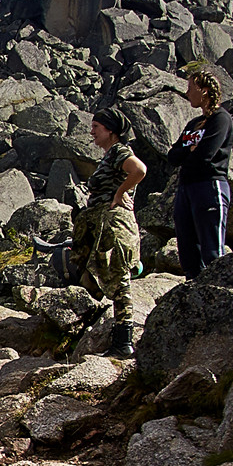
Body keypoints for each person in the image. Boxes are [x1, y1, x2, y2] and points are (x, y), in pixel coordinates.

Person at [163, 76, 233, 277]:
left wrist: (187, 152)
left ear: (204, 90)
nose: (187, 93)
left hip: (209, 186)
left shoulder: (221, 119)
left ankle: (219, 291)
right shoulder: (194, 123)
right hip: (186, 188)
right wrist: (190, 150)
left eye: (191, 88)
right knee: (188, 251)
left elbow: (206, 155)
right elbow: (172, 156)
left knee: (212, 249)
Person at [80, 110, 146, 341]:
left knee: (120, 280)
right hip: (105, 224)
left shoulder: (120, 151)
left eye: (96, 126)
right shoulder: (111, 154)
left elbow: (139, 170)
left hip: (116, 224)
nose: (92, 132)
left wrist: (120, 193)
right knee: (107, 276)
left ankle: (124, 340)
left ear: (111, 131)